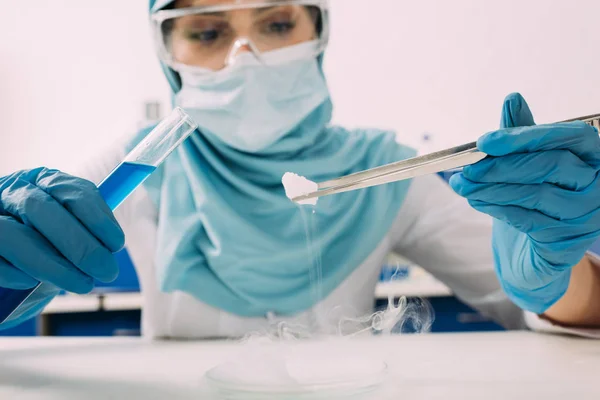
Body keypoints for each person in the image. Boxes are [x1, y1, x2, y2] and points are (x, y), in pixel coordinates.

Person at [0, 0, 599, 338]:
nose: (246, 57)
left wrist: (553, 263)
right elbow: (30, 264)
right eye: (207, 31)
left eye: (277, 23)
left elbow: (552, 310)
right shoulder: (135, 164)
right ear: (169, 57)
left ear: (318, 32)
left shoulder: (384, 170)